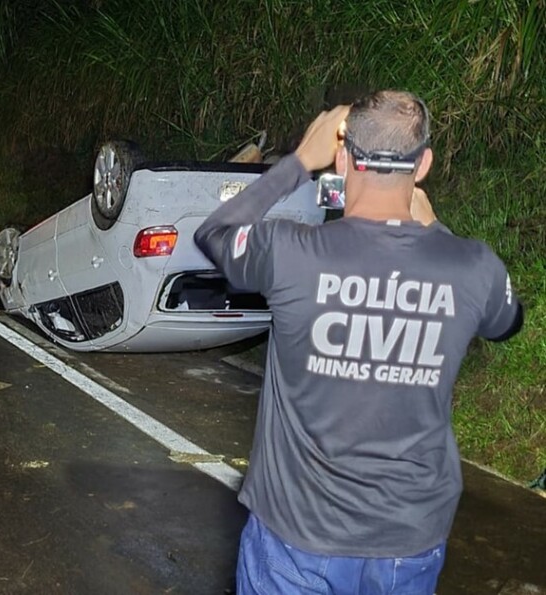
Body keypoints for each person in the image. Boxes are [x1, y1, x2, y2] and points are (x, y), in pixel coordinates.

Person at [194, 90, 524, 594]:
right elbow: (508, 321)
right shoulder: (473, 267)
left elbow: (216, 232)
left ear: (343, 158)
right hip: (408, 541)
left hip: (296, 536)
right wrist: (436, 228)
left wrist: (300, 161)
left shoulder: (290, 252)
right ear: (425, 165)